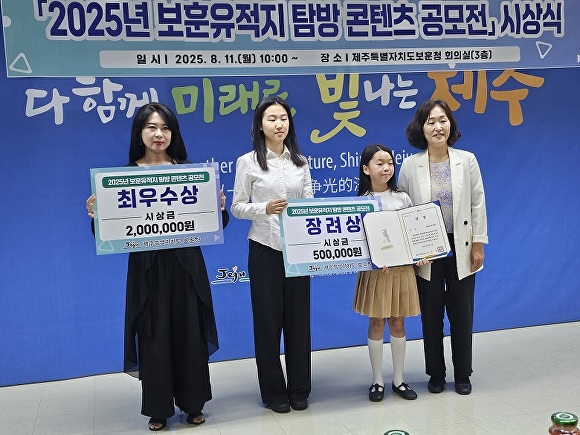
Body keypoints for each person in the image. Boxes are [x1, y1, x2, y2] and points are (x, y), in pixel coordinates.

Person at [86, 102, 229, 431]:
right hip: (147, 270)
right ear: (139, 133)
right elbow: (110, 234)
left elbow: (212, 226)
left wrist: (219, 210)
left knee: (189, 333)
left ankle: (193, 404)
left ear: (173, 133)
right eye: (151, 127)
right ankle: (158, 407)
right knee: (153, 335)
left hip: (186, 266)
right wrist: (97, 217)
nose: (159, 134)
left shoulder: (190, 173)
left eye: (165, 128)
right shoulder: (123, 177)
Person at [398, 99, 488, 395]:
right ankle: (435, 374)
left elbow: (478, 203)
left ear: (451, 124)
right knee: (431, 313)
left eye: (443, 120)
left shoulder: (467, 160)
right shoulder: (410, 165)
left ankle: (463, 374)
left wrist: (478, 244)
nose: (438, 127)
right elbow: (404, 209)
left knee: (462, 313)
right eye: (431, 122)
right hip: (427, 251)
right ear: (421, 129)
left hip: (461, 246)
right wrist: (409, 252)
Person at [231, 96, 313, 413]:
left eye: (283, 118)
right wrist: (263, 208)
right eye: (272, 119)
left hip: (298, 251)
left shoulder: (301, 162)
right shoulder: (248, 162)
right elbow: (237, 207)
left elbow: (310, 205)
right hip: (264, 248)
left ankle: (299, 390)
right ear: (260, 125)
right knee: (267, 324)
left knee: (298, 323)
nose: (279, 124)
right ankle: (274, 393)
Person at [353, 144, 428, 403]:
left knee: (398, 322)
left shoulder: (402, 198)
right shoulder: (360, 201)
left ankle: (398, 380)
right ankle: (377, 381)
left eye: (390, 163)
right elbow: (358, 240)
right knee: (377, 322)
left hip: (402, 269)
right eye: (379, 163)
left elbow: (413, 232)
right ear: (366, 169)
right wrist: (375, 260)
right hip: (376, 272)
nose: (386, 168)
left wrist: (419, 254)